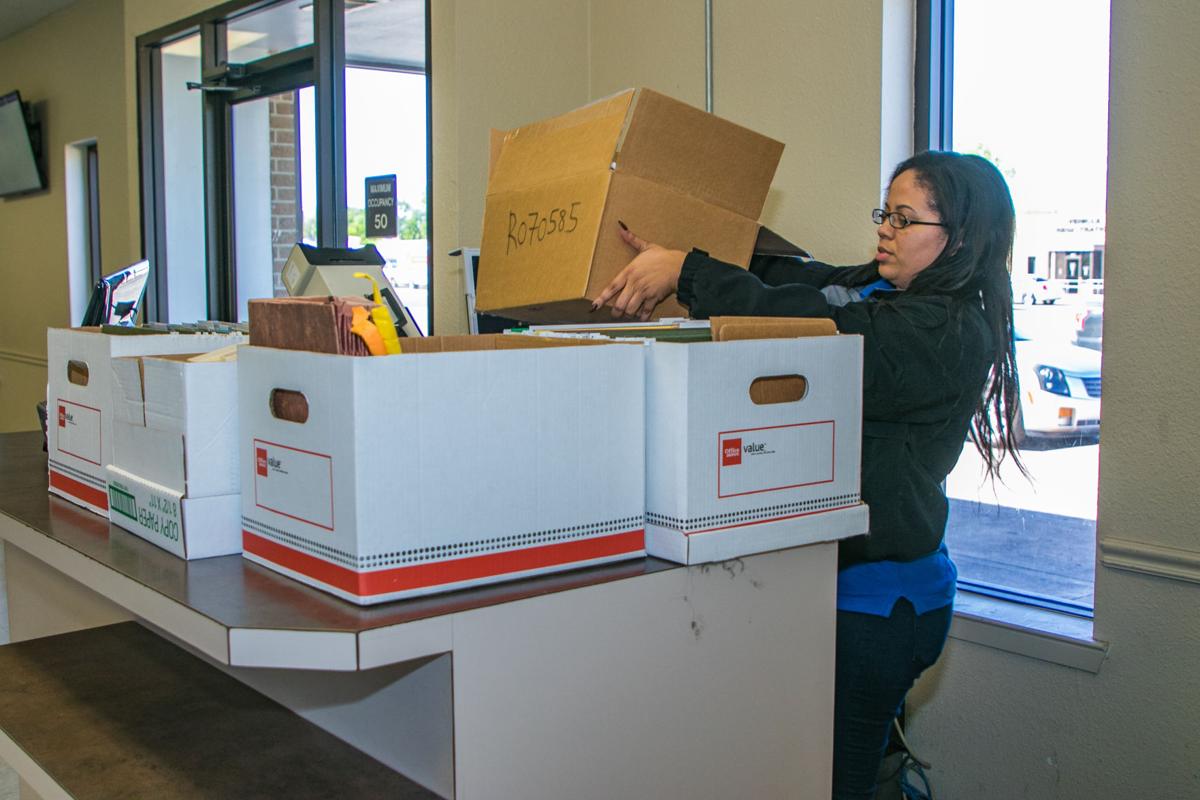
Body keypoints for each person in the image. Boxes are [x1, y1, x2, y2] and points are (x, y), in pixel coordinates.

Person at [593, 151, 1023, 799]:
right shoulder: (881, 289)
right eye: (886, 213)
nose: (885, 230)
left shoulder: (945, 330)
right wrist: (694, 244)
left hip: (883, 600)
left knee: (833, 783)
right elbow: (800, 283)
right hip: (834, 587)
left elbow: (819, 330)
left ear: (960, 239)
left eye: (905, 219)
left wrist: (686, 272)